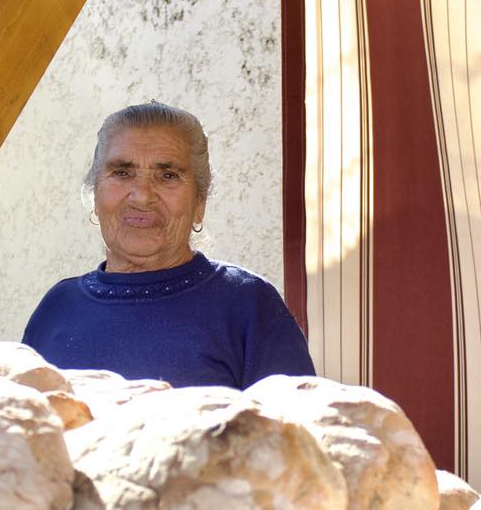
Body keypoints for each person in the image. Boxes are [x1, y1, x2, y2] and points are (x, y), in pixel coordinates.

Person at [23, 102, 314, 388]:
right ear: (95, 195)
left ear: (200, 203)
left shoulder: (248, 306)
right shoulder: (58, 307)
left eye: (168, 175)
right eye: (122, 172)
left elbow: (301, 429)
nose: (141, 196)